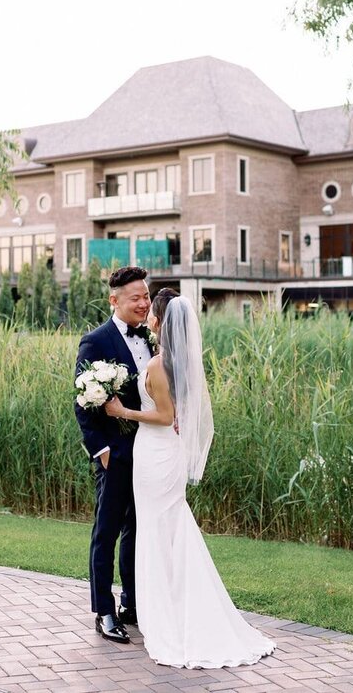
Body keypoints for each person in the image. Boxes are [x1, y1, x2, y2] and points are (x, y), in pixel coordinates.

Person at [105, 288, 276, 668]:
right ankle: (174, 603)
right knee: (168, 528)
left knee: (156, 530)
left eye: (154, 311)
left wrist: (122, 411)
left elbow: (165, 417)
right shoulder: (177, 362)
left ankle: (167, 613)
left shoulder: (157, 365)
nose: (148, 313)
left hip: (155, 453)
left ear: (162, 321)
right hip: (165, 455)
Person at [74, 265, 153, 644]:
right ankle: (104, 611)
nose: (143, 303)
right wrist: (102, 451)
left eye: (146, 296)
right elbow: (82, 404)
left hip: (151, 454)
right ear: (115, 300)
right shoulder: (95, 341)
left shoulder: (151, 340)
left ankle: (133, 603)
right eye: (136, 297)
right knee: (106, 533)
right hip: (115, 454)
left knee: (138, 530)